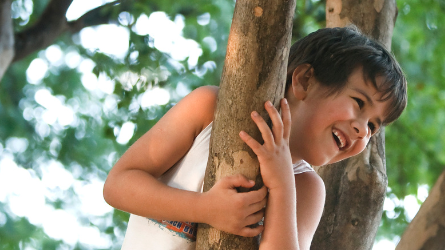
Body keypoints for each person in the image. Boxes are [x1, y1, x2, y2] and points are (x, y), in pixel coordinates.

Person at [103, 26, 407, 249]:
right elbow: (118, 185)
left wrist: (282, 183)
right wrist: (206, 209)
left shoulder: (307, 188)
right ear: (304, 81)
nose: (362, 129)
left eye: (373, 126)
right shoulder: (209, 109)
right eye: (359, 103)